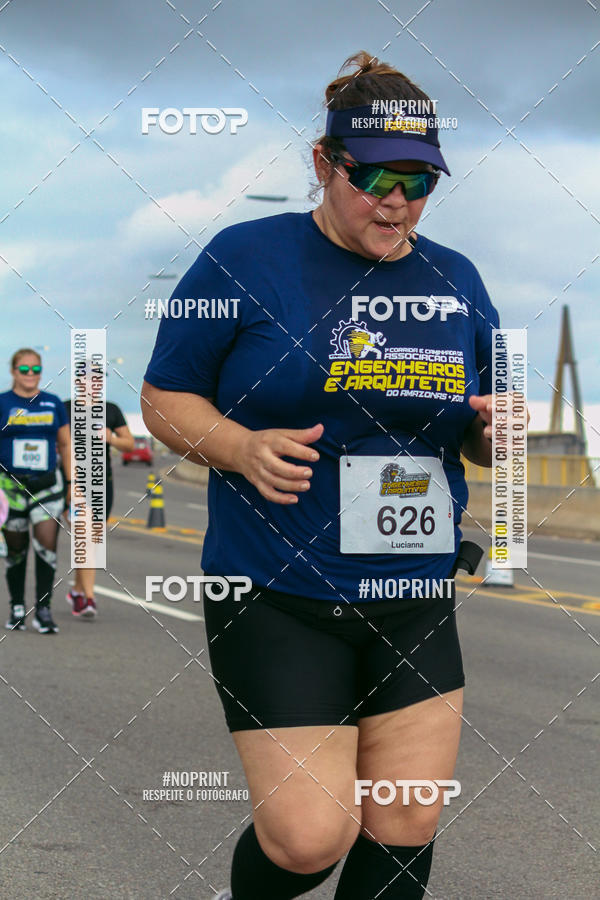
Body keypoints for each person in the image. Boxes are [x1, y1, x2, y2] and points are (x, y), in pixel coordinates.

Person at [142, 52, 500, 900]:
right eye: (374, 174)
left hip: (412, 590)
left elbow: (479, 437)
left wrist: (496, 435)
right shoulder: (244, 259)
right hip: (275, 591)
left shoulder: (457, 283)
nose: (397, 200)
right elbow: (162, 398)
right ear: (322, 164)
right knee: (308, 839)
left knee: (406, 817)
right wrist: (239, 448)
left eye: (420, 182)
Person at [1, 348, 71, 634]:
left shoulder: (53, 403)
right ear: (13, 371)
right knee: (16, 551)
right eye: (24, 369)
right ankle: (17, 606)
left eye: (36, 369)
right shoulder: (3, 402)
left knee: (46, 548)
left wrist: (73, 485)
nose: (30, 375)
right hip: (10, 488)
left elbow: (66, 445)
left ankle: (43, 609)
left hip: (47, 486)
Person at [63, 385, 134, 617]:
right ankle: (89, 599)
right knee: (85, 538)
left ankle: (76, 590)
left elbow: (129, 444)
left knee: (91, 541)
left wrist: (111, 437)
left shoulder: (111, 410)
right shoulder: (66, 409)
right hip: (75, 484)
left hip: (104, 484)